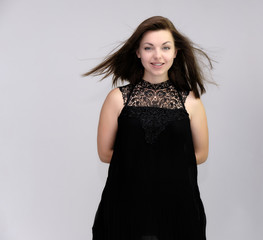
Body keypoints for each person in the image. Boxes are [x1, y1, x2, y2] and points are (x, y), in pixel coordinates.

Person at [84, 16, 213, 240]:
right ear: (138, 52)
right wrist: (150, 163)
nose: (157, 56)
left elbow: (201, 154)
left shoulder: (191, 100)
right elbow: (104, 153)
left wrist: (158, 164)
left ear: (175, 52)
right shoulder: (117, 99)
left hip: (178, 205)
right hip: (126, 203)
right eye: (148, 48)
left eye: (165, 47)